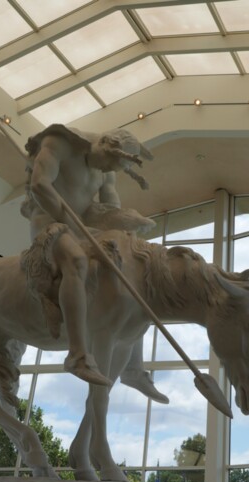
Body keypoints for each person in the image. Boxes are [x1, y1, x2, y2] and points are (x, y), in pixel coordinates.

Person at [21, 124, 168, 403]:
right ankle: (77, 354)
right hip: (49, 223)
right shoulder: (59, 143)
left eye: (115, 168)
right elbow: (40, 185)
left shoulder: (107, 170)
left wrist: (130, 227)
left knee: (129, 270)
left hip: (82, 227)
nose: (108, 171)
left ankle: (133, 368)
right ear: (104, 144)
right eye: (110, 163)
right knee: (76, 260)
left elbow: (111, 211)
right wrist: (70, 221)